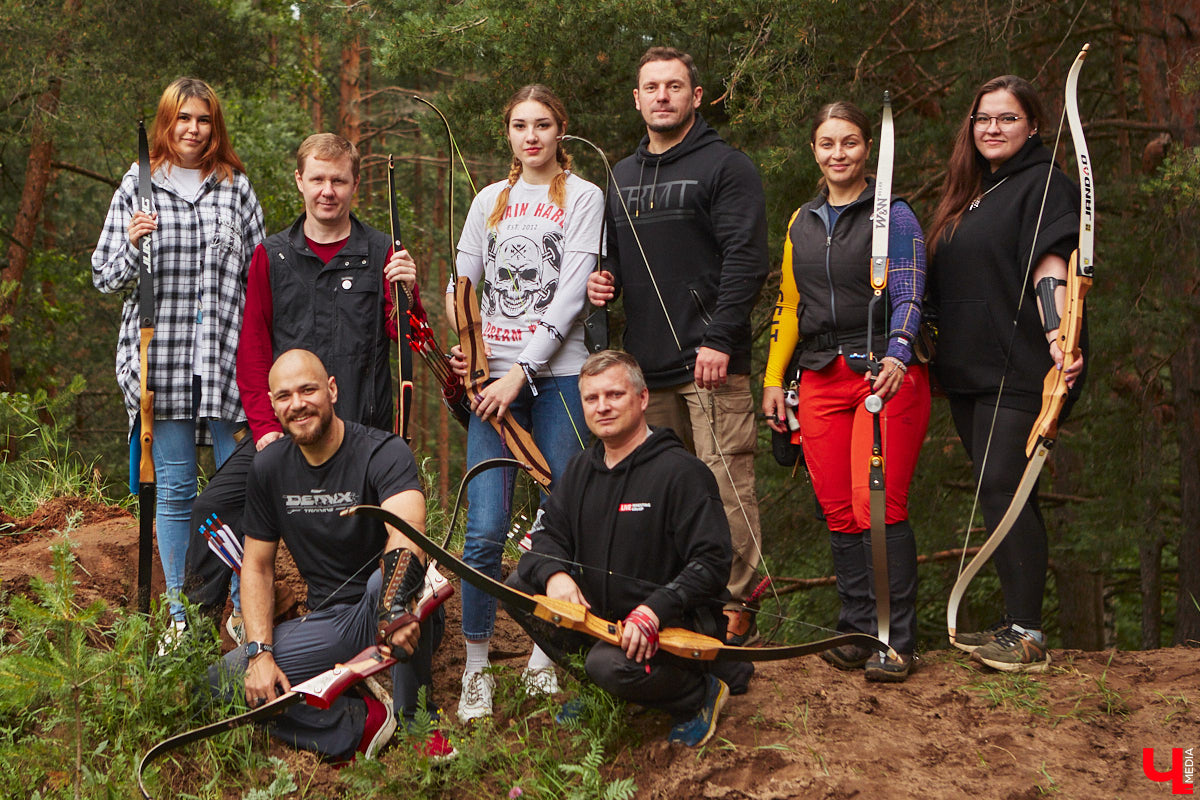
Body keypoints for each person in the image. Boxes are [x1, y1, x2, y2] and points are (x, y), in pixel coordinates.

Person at [182, 133, 422, 642]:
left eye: (338, 180)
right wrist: (266, 429)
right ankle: (201, 629)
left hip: (358, 438)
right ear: (300, 182)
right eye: (318, 179)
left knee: (356, 546)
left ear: (356, 185)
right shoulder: (274, 256)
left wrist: (410, 292)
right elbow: (251, 353)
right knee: (211, 509)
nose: (327, 191)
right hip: (287, 435)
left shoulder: (382, 251)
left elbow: (407, 337)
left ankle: (373, 622)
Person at [586, 47, 769, 645]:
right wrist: (602, 282)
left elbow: (747, 259)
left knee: (723, 483)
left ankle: (737, 602)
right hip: (645, 369)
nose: (662, 96)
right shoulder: (620, 175)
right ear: (637, 99)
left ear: (695, 96)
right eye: (651, 87)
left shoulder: (726, 167)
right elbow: (613, 260)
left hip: (710, 364)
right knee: (657, 490)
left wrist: (718, 338)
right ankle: (674, 601)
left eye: (674, 86)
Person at [208, 349, 452, 761]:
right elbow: (257, 566)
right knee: (219, 685)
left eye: (308, 390)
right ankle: (364, 722)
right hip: (331, 622)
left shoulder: (383, 451)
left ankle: (418, 725)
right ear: (272, 405)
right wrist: (259, 653)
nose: (298, 404)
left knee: (391, 578)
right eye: (284, 396)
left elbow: (408, 536)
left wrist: (392, 606)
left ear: (332, 390)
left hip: (397, 610)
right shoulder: (268, 467)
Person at [447, 84, 601, 722]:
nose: (531, 135)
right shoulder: (490, 200)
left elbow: (571, 297)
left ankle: (545, 654)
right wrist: (471, 356)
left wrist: (522, 372)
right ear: (507, 134)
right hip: (491, 388)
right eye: (519, 125)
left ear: (560, 130)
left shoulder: (585, 197)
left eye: (542, 124)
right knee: (483, 530)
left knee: (558, 523)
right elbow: (464, 285)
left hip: (560, 378)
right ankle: (477, 669)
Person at [762, 102, 930, 682]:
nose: (839, 154)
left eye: (851, 143)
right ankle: (858, 627)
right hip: (818, 375)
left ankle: (897, 638)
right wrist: (773, 379)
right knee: (836, 508)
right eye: (828, 143)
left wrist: (900, 354)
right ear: (815, 151)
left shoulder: (896, 216)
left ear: (867, 151)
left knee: (875, 505)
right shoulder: (800, 221)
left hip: (884, 375)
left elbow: (909, 294)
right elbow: (790, 306)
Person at [92, 77, 265, 637]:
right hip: (159, 361)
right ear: (168, 123)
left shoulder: (235, 188)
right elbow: (104, 276)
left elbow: (261, 276)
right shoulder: (137, 188)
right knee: (173, 488)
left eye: (204, 120)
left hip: (225, 361)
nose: (194, 129)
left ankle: (241, 606)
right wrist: (133, 243)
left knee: (240, 487)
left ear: (216, 127)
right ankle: (180, 614)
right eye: (183, 118)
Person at [504, 350, 747, 747]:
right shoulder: (582, 469)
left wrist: (656, 610)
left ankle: (697, 694)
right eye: (591, 398)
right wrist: (557, 576)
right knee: (518, 588)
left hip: (671, 630)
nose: (602, 407)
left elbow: (713, 562)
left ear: (643, 398)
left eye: (614, 395)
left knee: (606, 664)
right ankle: (609, 686)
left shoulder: (682, 472)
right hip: (608, 625)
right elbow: (547, 536)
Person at [926, 75, 1086, 673]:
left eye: (1007, 118)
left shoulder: (1044, 184)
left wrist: (1056, 332)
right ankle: (1017, 623)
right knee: (1005, 493)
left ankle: (1028, 635)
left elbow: (1051, 262)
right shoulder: (974, 192)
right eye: (983, 118)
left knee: (1003, 485)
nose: (992, 128)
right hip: (968, 369)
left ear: (1033, 125)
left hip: (1024, 365)